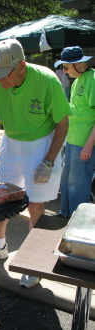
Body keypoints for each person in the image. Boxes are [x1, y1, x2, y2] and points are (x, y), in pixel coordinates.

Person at [0, 38, 72, 289]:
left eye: (6, 75)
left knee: (36, 207)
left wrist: (48, 161)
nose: (1, 80)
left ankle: (34, 263)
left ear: (22, 66)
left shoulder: (46, 79)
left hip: (41, 143)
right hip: (11, 141)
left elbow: (62, 124)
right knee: (2, 196)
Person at [54, 46, 95, 219]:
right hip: (72, 140)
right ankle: (65, 214)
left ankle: (76, 221)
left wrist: (88, 145)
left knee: (78, 184)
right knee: (66, 181)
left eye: (65, 67)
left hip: (83, 142)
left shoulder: (92, 79)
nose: (64, 70)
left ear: (78, 64)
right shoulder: (78, 79)